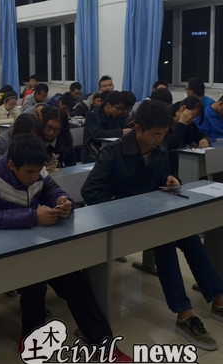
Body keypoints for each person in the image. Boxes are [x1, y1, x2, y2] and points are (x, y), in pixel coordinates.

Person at [0, 134, 133, 364]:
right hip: (0, 251)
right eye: (29, 173)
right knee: (34, 282)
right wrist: (33, 216)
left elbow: (54, 191)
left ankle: (101, 341)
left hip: (33, 246)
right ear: (12, 165)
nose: (35, 177)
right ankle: (32, 335)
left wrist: (63, 202)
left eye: (38, 172)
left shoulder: (36, 169)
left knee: (75, 281)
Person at [81, 99, 223, 351]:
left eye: (163, 134)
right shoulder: (114, 152)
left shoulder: (160, 149)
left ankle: (218, 297)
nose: (159, 140)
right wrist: (125, 207)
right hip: (119, 222)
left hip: (150, 218)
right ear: (138, 129)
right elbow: (90, 191)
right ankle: (184, 313)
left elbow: (158, 179)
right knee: (165, 242)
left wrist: (169, 180)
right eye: (155, 135)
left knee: (189, 237)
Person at [81, 91, 131, 163]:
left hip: (112, 153)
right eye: (118, 108)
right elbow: (97, 134)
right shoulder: (92, 114)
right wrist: (121, 132)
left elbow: (125, 129)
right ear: (108, 105)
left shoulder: (117, 116)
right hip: (92, 153)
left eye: (122, 109)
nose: (120, 111)